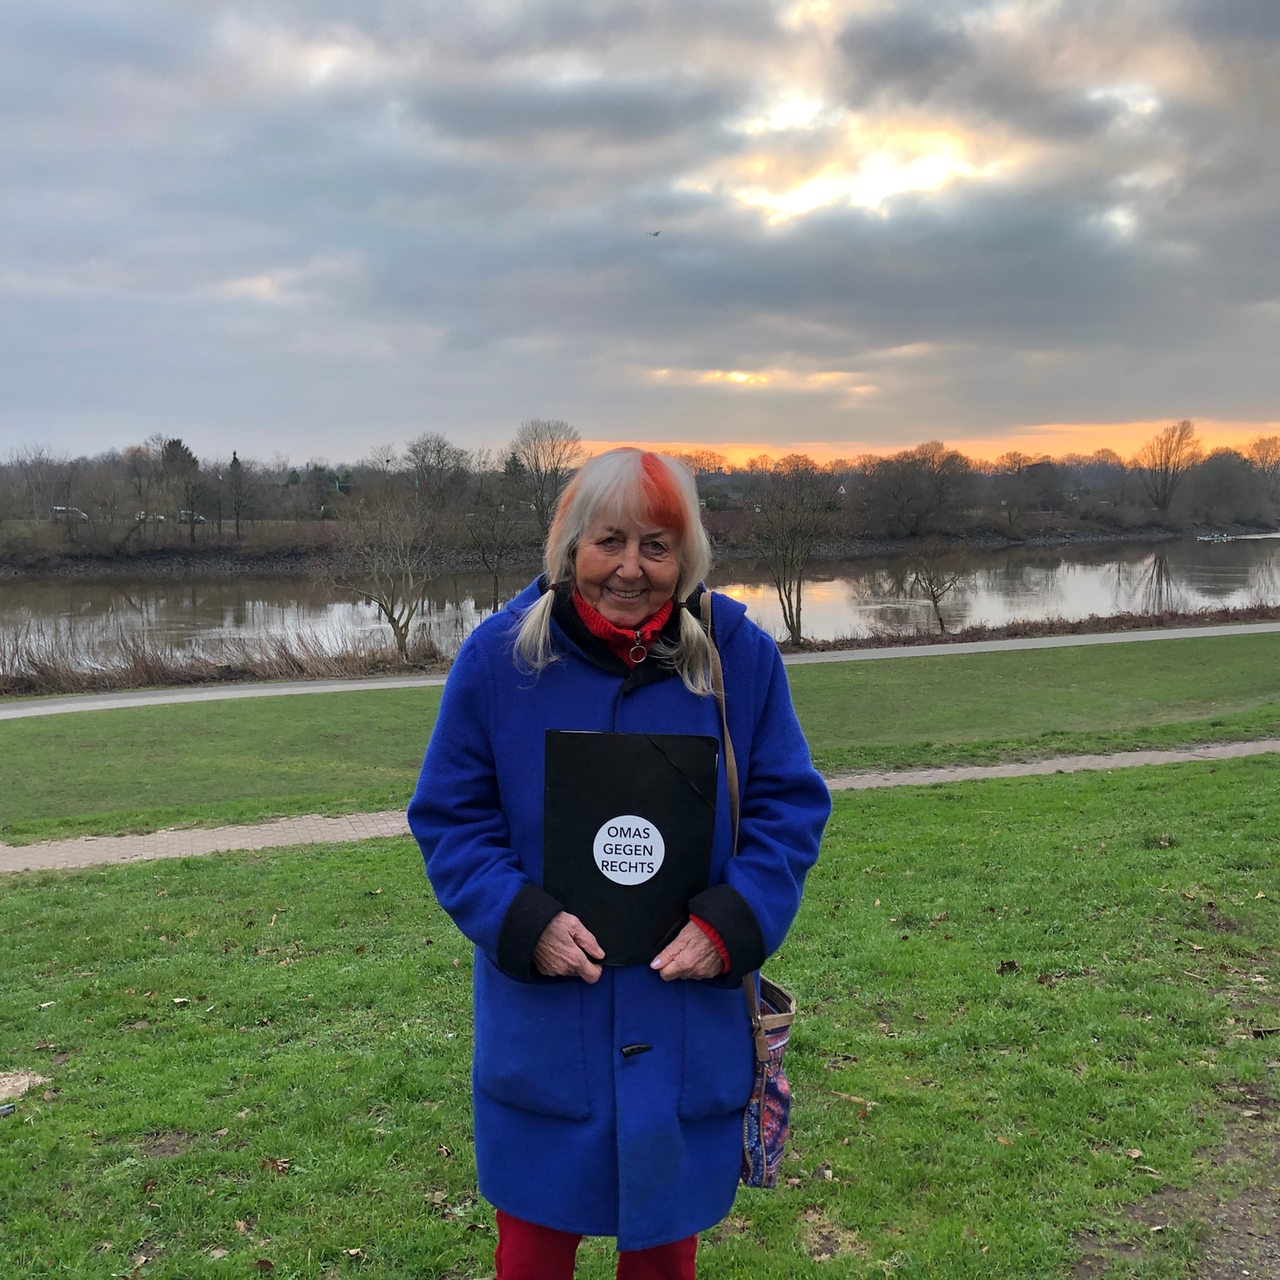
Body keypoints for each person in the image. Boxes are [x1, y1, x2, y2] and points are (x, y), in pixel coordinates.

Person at [408, 447, 830, 1279]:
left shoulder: (738, 657)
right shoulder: (499, 660)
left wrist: (732, 924)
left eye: (656, 545)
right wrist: (520, 921)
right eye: (609, 542)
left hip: (683, 1026)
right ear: (570, 548)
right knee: (530, 1256)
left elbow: (788, 808)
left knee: (666, 1259)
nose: (631, 569)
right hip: (545, 1028)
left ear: (687, 556)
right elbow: (451, 818)